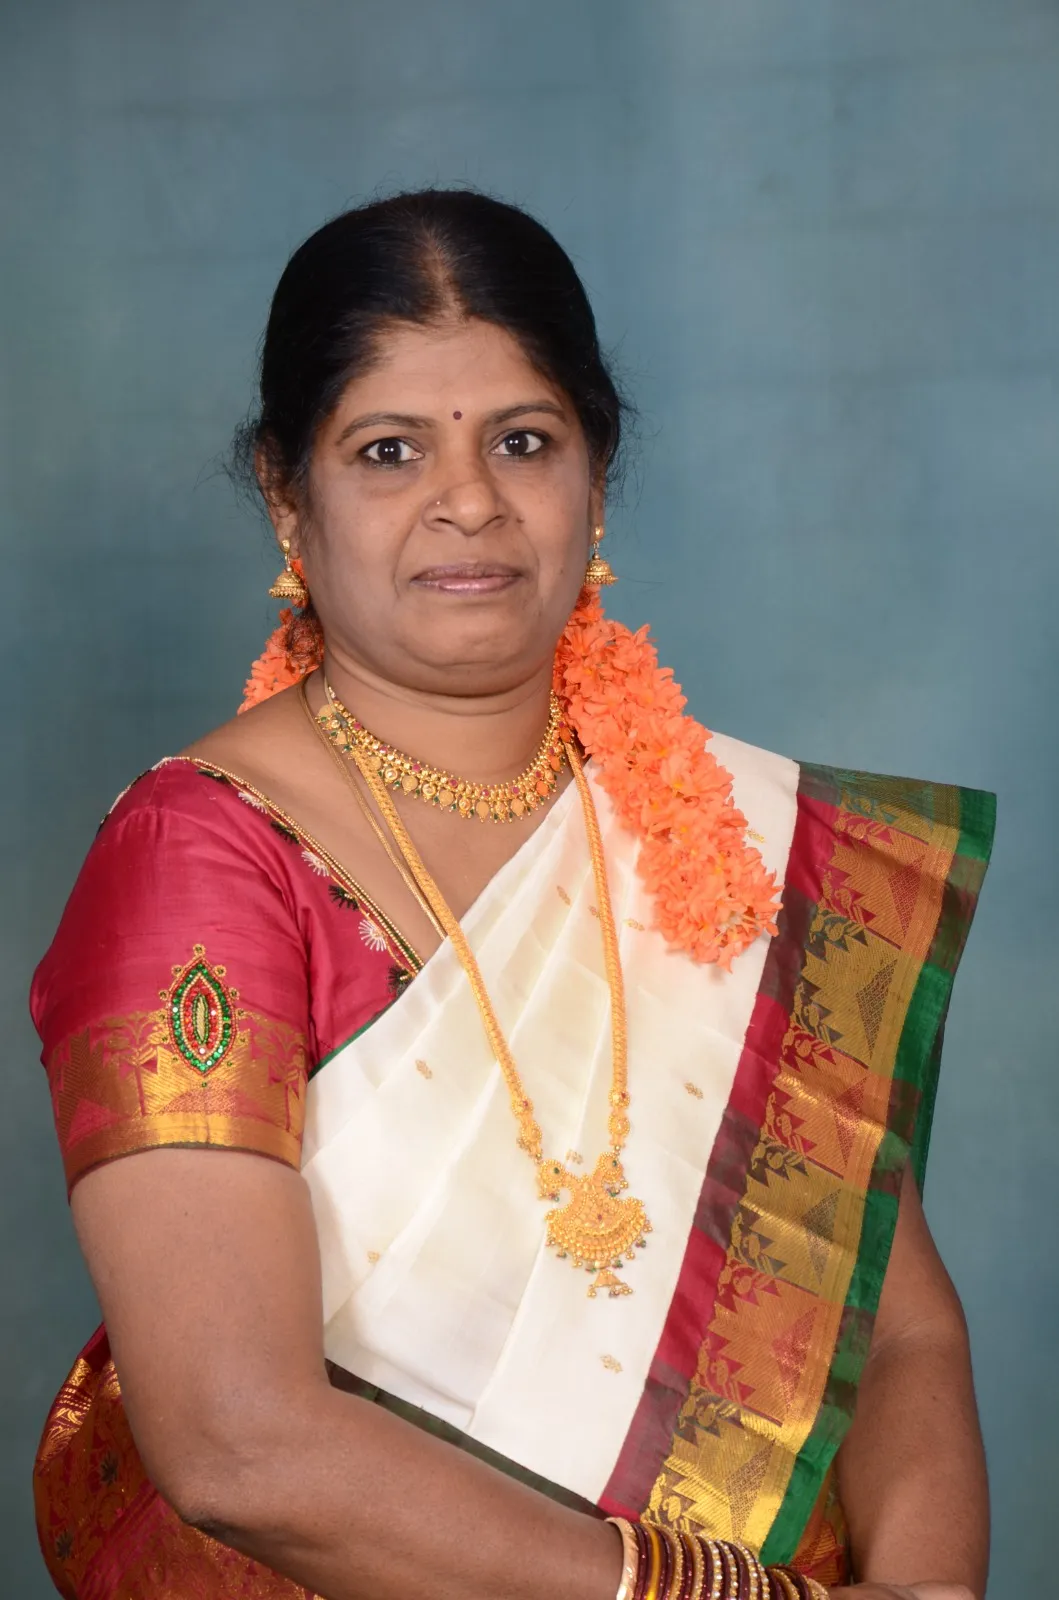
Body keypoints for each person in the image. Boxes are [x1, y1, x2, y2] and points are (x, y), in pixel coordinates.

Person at [31, 190, 994, 1600]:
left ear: (595, 475)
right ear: (287, 496)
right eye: (388, 450)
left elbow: (900, 1334)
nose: (470, 500)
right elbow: (236, 1442)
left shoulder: (721, 833)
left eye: (522, 440)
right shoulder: (203, 858)